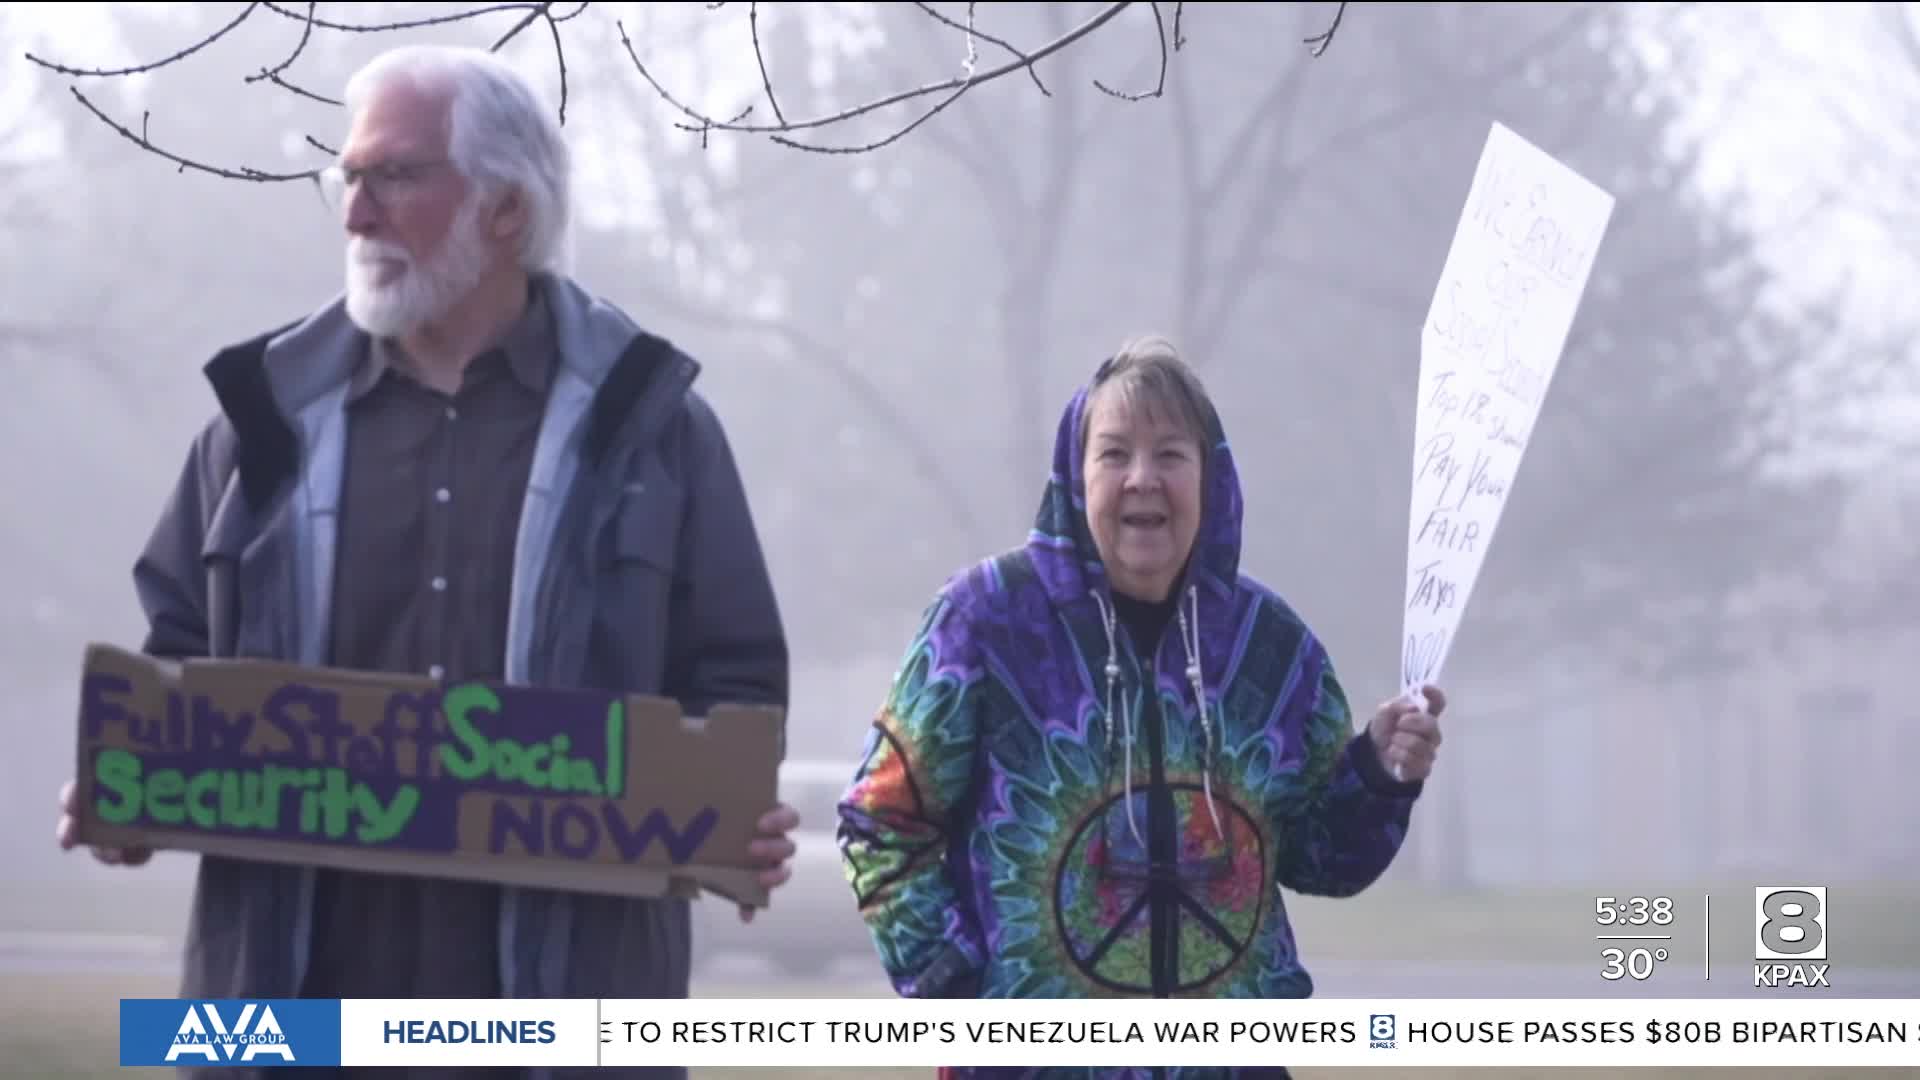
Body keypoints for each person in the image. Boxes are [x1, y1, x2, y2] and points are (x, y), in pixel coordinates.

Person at [54, 43, 797, 1078]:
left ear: (506, 210)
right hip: (293, 1034)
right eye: (349, 179)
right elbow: (175, 666)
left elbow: (734, 690)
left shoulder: (656, 435)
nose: (356, 213)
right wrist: (132, 791)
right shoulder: (255, 434)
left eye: (396, 176)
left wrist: (732, 819)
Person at [836, 337, 1446, 1077]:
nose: (1142, 479)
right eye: (1115, 453)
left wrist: (1379, 771)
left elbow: (1324, 856)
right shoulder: (987, 621)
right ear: (1075, 474)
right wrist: (954, 984)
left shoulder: (1270, 648)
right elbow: (880, 820)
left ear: (1210, 478)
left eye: (1170, 455)